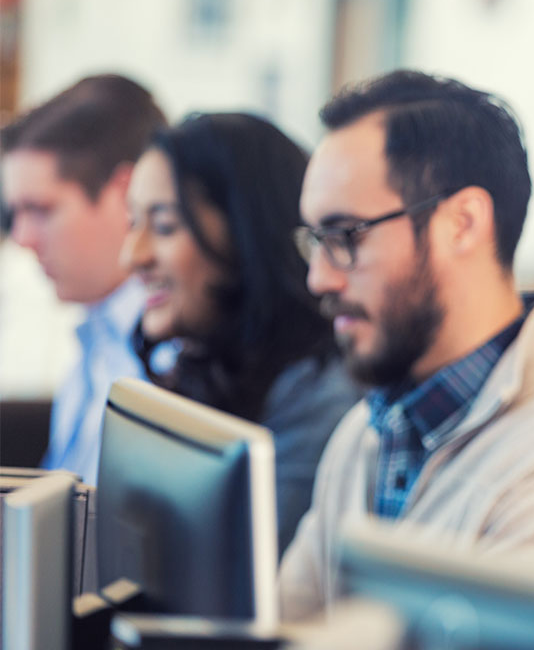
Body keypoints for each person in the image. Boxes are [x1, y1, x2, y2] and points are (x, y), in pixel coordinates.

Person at [279, 70, 534, 620]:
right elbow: (282, 628)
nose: (319, 279)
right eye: (315, 241)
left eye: (346, 236)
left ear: (462, 223)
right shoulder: (367, 435)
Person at [121, 113, 360, 551]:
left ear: (247, 235)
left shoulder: (317, 395)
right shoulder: (203, 365)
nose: (131, 256)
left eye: (164, 226)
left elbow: (250, 590)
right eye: (132, 224)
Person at [0, 74, 165, 484]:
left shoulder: (167, 361)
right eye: (14, 213)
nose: (22, 237)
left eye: (40, 210)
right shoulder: (97, 339)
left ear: (128, 195)